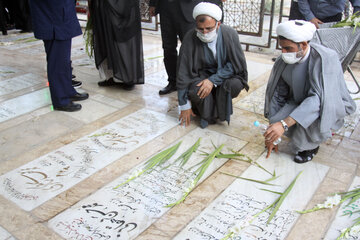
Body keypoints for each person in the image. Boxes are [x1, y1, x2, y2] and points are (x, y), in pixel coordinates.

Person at [263, 20, 356, 163]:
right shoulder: (282, 61)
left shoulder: (326, 59)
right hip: (297, 101)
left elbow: (318, 99)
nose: (283, 52)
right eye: (281, 48)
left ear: (304, 44)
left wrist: (284, 124)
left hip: (325, 104)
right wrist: (274, 127)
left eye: (288, 48)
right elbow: (278, 93)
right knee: (275, 121)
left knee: (301, 141)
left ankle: (311, 147)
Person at [177, 2, 248, 129]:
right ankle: (207, 113)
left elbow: (235, 64)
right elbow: (183, 72)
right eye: (200, 28)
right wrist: (184, 105)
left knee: (234, 85)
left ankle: (212, 111)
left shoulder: (230, 34)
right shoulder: (190, 37)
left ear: (218, 24)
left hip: (225, 76)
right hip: (200, 76)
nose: (204, 33)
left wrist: (212, 80)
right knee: (196, 89)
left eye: (209, 28)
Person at [29, 0, 89, 112]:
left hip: (60, 14)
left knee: (64, 60)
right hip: (53, 17)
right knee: (57, 61)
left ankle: (67, 91)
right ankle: (61, 100)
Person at [89, 0, 144, 90]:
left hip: (123, 5)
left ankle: (128, 78)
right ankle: (111, 76)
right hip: (104, 5)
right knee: (106, 37)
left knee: (124, 41)